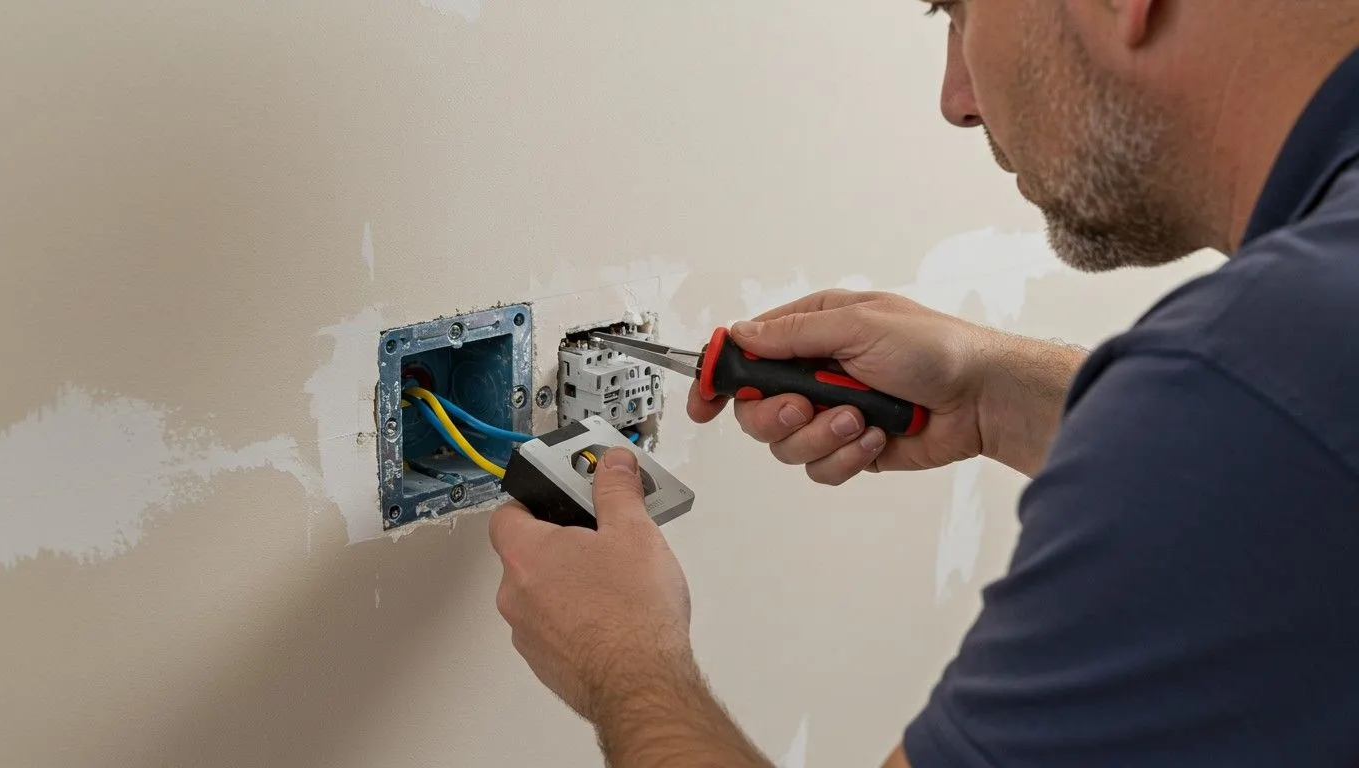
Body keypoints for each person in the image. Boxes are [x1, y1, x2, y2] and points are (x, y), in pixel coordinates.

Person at [488, 0, 1359, 765]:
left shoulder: (1247, 387)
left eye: (957, 10)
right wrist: (993, 395)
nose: (956, 100)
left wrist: (625, 665)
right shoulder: (1290, 366)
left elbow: (1254, 430)